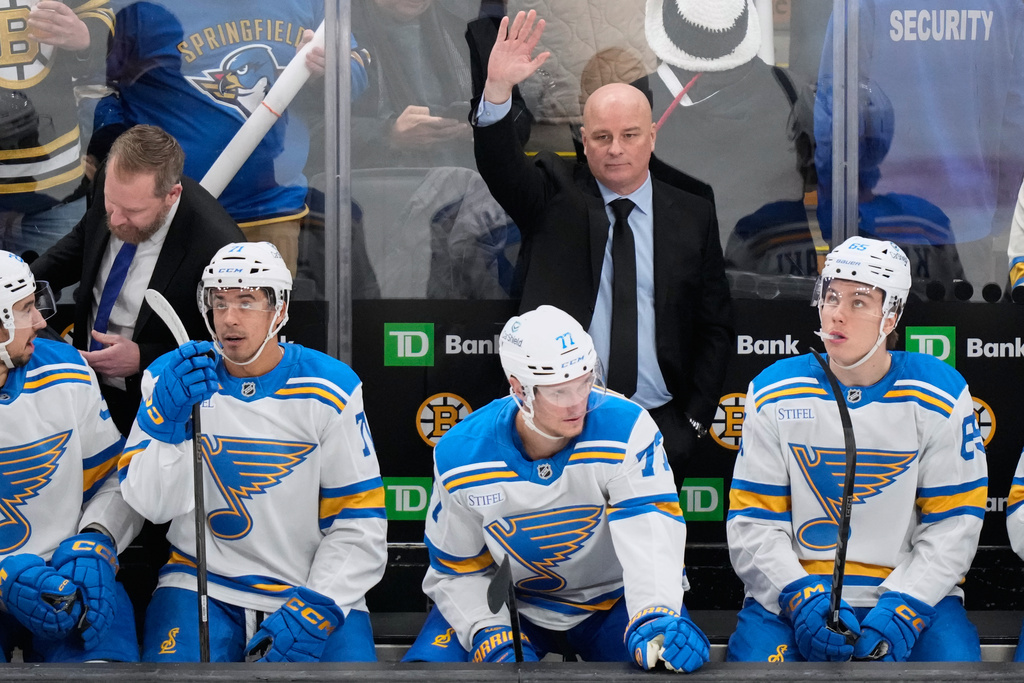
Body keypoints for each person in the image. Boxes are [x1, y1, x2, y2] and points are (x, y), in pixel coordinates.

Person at [473, 10, 733, 480]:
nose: (616, 148)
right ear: (584, 141)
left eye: (630, 135)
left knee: (647, 548)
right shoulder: (552, 192)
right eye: (603, 137)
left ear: (652, 137)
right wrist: (496, 90)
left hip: (659, 423)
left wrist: (692, 422)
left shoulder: (693, 210)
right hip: (561, 420)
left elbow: (714, 326)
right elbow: (500, 165)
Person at [117, 241, 387, 662]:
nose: (229, 318)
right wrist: (165, 425)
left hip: (309, 588)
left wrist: (317, 604)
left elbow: (359, 523)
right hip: (199, 582)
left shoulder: (331, 387)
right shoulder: (170, 378)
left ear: (279, 309)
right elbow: (154, 505)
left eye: (247, 301)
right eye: (219, 302)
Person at [403, 305, 709, 672]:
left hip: (614, 599)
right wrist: (488, 630)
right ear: (519, 388)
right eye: (560, 392)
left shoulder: (627, 427)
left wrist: (654, 614)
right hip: (513, 604)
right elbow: (456, 568)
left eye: (585, 381)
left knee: (667, 661)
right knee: (428, 673)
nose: (579, 403)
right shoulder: (462, 453)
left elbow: (653, 535)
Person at [727, 236, 987, 663]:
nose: (836, 314)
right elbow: (752, 523)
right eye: (831, 297)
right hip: (794, 596)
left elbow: (954, 525)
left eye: (859, 302)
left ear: (893, 315)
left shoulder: (940, 393)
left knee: (957, 668)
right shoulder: (773, 390)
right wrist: (800, 598)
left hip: (913, 596)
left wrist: (904, 608)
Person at [94, 0, 362, 275]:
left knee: (256, 316)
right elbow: (98, 89)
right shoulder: (138, 7)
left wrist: (330, 71)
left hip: (271, 212)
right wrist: (111, 159)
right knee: (163, 316)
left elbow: (355, 74)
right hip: (169, 214)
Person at [30, 124, 244, 437]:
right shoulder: (115, 181)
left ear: (172, 195)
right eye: (110, 204)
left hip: (154, 404)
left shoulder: (216, 246)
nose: (115, 220)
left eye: (132, 212)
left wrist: (143, 358)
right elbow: (81, 241)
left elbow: (230, 347)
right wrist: (20, 285)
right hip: (81, 387)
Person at [0, 250, 143, 662]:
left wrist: (98, 539)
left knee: (103, 668)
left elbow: (113, 480)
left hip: (66, 580)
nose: (42, 322)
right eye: (26, 309)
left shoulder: (66, 369)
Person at [0, 0, 113, 260]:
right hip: (55, 188)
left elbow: (99, 8)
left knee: (49, 299)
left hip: (55, 187)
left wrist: (87, 36)